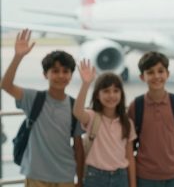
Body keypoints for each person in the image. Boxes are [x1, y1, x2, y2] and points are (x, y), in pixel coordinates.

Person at [0, 29, 84, 187]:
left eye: (65, 71)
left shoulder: (75, 106)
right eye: (55, 71)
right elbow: (5, 85)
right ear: (46, 74)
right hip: (36, 175)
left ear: (71, 75)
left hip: (65, 175)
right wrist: (18, 57)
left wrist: (79, 180)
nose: (60, 76)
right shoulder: (33, 99)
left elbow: (78, 148)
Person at [127, 51, 174, 187]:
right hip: (144, 177)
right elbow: (129, 148)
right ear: (142, 77)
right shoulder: (135, 106)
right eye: (150, 72)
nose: (156, 76)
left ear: (167, 74)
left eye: (160, 71)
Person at [73, 60, 136, 187]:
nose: (111, 95)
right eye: (106, 91)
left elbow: (130, 156)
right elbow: (77, 111)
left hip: (121, 177)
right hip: (95, 177)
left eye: (116, 91)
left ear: (121, 94)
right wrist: (85, 84)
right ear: (97, 95)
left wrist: (133, 185)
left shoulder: (127, 123)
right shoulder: (91, 117)